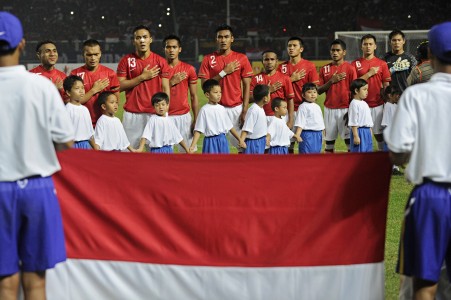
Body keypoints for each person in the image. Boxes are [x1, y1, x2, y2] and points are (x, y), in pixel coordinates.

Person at [0, 11, 74, 300]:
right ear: (21, 44)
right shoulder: (41, 86)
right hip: (36, 189)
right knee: (36, 282)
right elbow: (66, 141)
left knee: (5, 283)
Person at [384, 21, 451, 300]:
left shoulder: (416, 95)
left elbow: (398, 149)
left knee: (424, 283)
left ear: (430, 56)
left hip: (430, 196)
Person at [198, 24, 253, 152]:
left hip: (236, 109)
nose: (223, 40)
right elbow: (204, 86)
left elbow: (246, 86)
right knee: (216, 147)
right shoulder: (208, 59)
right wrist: (224, 72)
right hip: (216, 110)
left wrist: (244, 110)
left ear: (232, 39)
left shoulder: (241, 58)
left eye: (226, 37)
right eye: (220, 37)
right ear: (216, 39)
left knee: (242, 146)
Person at [117, 25, 170, 149]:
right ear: (134, 41)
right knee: (129, 154)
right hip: (132, 115)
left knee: (157, 152)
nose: (142, 40)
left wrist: (166, 112)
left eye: (145, 37)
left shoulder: (160, 61)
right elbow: (119, 86)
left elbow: (166, 88)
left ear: (150, 39)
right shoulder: (126, 61)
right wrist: (141, 77)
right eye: (138, 37)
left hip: (154, 114)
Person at [351, 34, 391, 151]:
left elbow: (386, 85)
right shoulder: (355, 64)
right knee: (361, 134)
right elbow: (353, 84)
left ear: (375, 46)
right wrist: (369, 74)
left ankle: (380, 158)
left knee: (379, 135)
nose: (368, 46)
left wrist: (386, 103)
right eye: (365, 44)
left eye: (370, 44)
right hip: (360, 105)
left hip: (377, 104)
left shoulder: (382, 63)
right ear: (361, 46)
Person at [318, 39, 357, 153]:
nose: (335, 52)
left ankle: (351, 167)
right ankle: (329, 168)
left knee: (349, 142)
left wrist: (352, 111)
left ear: (344, 52)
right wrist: (331, 81)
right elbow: (318, 90)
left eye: (338, 50)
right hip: (329, 109)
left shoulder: (350, 68)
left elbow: (355, 91)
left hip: (345, 109)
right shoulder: (325, 69)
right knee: (329, 143)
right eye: (332, 50)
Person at [70, 39, 120, 126]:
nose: (93, 58)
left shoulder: (110, 73)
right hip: (82, 123)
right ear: (83, 55)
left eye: (96, 54)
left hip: (105, 123)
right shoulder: (75, 74)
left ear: (100, 54)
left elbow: (116, 101)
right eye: (89, 55)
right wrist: (94, 90)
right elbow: (74, 102)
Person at [163, 35, 199, 153]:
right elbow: (154, 93)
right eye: (168, 47)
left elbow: (194, 96)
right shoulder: (159, 69)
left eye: (174, 47)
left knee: (188, 153)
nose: (171, 50)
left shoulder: (189, 69)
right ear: (164, 49)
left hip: (184, 117)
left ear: (180, 49)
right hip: (165, 117)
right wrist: (171, 82)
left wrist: (196, 119)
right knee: (166, 154)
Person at [189, 79, 241, 154]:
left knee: (225, 164)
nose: (219, 94)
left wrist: (240, 139)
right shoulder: (204, 110)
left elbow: (230, 126)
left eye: (220, 92)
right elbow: (198, 130)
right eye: (216, 92)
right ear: (207, 95)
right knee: (210, 164)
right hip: (210, 143)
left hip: (223, 141)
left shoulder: (222, 109)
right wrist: (192, 146)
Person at [250, 50, 294, 126]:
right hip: (260, 116)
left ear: (277, 61)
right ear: (262, 61)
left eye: (272, 59)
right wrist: (267, 91)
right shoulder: (255, 78)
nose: (269, 62)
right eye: (266, 59)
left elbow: (290, 99)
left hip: (280, 117)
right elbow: (249, 99)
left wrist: (290, 120)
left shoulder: (285, 78)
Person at [63, 75, 96, 149]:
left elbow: (90, 132)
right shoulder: (67, 110)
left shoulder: (85, 109)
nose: (81, 91)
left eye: (82, 88)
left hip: (86, 145)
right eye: (77, 88)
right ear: (68, 92)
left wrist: (95, 147)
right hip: (72, 146)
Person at [293, 83, 325, 154]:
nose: (312, 94)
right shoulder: (303, 107)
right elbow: (300, 122)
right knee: (306, 156)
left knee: (316, 155)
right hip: (307, 135)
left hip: (318, 134)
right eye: (309, 92)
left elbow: (320, 121)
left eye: (314, 92)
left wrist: (323, 134)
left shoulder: (317, 106)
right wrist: (298, 135)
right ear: (303, 95)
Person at [383, 29, 417, 94]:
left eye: (399, 40)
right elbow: (381, 79)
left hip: (407, 95)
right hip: (391, 97)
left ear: (403, 41)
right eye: (394, 40)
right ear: (390, 42)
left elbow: (416, 78)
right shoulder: (384, 58)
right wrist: (391, 71)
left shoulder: (411, 58)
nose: (397, 42)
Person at [239, 84, 270, 154]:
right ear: (265, 98)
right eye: (269, 95)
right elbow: (246, 128)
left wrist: (266, 135)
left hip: (260, 141)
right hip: (253, 143)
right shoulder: (253, 110)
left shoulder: (260, 108)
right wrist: (241, 141)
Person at [347, 79, 373, 152]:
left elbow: (368, 119)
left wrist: (370, 132)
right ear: (356, 91)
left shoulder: (364, 103)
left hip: (366, 132)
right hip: (359, 132)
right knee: (359, 154)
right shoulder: (354, 104)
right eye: (364, 89)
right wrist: (356, 136)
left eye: (367, 89)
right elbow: (353, 121)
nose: (367, 91)